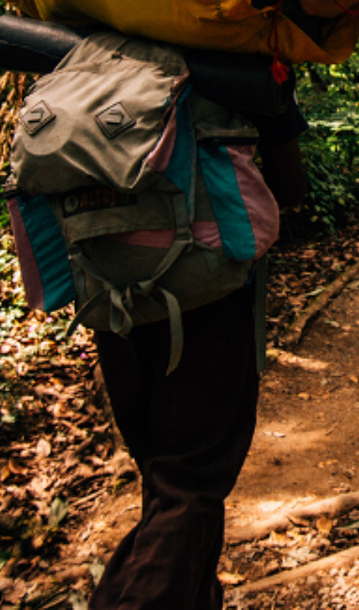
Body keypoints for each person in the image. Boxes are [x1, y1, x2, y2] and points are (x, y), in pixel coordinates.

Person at [86, 62, 306, 610]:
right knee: (191, 483)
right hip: (203, 295)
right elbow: (291, 189)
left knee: (164, 475)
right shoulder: (226, 48)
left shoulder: (81, 56)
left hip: (106, 292)